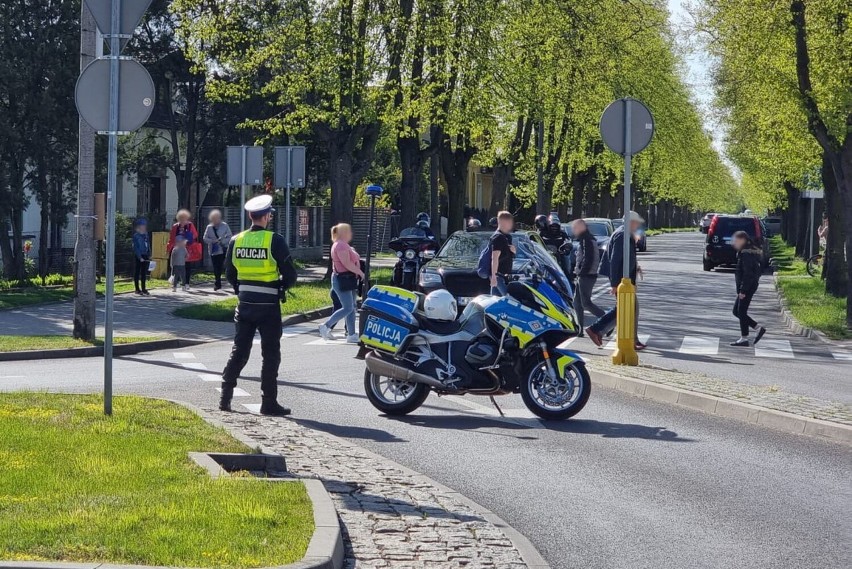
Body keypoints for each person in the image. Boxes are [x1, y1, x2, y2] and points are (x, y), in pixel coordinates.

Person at [220, 194, 297, 416]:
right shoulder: (275, 240)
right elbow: (290, 275)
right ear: (266, 217)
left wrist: (242, 289)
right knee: (270, 354)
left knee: (239, 351)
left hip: (244, 305)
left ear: (250, 216)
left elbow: (229, 272)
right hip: (268, 306)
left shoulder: (237, 240)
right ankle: (268, 402)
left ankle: (225, 397)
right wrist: (281, 286)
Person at [585, 211, 645, 350]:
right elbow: (614, 260)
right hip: (621, 280)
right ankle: (596, 329)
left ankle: (632, 339)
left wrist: (636, 267)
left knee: (630, 308)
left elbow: (626, 257)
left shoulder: (625, 233)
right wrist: (614, 284)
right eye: (636, 221)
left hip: (624, 279)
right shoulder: (622, 235)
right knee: (626, 308)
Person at [319, 223, 364, 343]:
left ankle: (351, 334)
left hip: (347, 279)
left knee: (351, 307)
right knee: (348, 307)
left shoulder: (343, 245)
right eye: (348, 231)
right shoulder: (340, 246)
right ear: (343, 233)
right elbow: (347, 263)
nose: (351, 233)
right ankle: (326, 326)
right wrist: (361, 273)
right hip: (343, 279)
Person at [730, 230, 766, 347]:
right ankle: (757, 328)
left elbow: (748, 274)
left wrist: (743, 290)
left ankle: (745, 337)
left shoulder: (746, 254)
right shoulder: (747, 251)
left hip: (747, 286)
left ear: (742, 240)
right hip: (748, 285)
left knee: (741, 311)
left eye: (736, 241)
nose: (734, 243)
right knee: (737, 311)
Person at [572, 219, 604, 334]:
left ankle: (606, 320)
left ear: (581, 227)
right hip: (585, 274)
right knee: (577, 303)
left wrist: (581, 272)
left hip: (587, 275)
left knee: (585, 303)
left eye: (575, 227)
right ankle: (579, 329)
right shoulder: (586, 239)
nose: (574, 230)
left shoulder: (587, 240)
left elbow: (588, 258)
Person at [167, 210, 200, 288]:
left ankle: (186, 283)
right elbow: (172, 238)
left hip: (187, 249)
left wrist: (186, 241)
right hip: (177, 250)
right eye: (181, 218)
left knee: (187, 266)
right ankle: (177, 281)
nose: (183, 220)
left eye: (184, 218)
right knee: (176, 266)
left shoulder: (190, 225)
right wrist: (169, 249)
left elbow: (195, 235)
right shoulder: (175, 226)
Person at [203, 209, 233, 291]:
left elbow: (230, 236)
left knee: (221, 266)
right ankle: (217, 282)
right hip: (213, 250)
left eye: (216, 218)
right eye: (213, 219)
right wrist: (212, 241)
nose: (215, 220)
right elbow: (205, 238)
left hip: (222, 249)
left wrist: (222, 241)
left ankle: (221, 282)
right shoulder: (209, 227)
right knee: (216, 267)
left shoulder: (225, 225)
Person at [489, 211, 515, 295]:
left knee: (495, 301)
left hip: (502, 275)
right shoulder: (498, 237)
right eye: (509, 222)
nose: (511, 225)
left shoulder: (506, 237)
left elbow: (507, 255)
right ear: (503, 223)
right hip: (499, 276)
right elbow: (495, 257)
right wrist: (494, 276)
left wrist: (513, 251)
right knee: (509, 299)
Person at [132, 218, 151, 296]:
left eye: (144, 225)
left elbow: (148, 244)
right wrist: (140, 257)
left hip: (145, 254)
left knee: (144, 272)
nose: (144, 227)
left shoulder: (146, 235)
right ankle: (137, 289)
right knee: (137, 272)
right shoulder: (136, 236)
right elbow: (135, 247)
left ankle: (143, 288)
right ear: (139, 226)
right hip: (139, 255)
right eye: (142, 225)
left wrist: (149, 253)